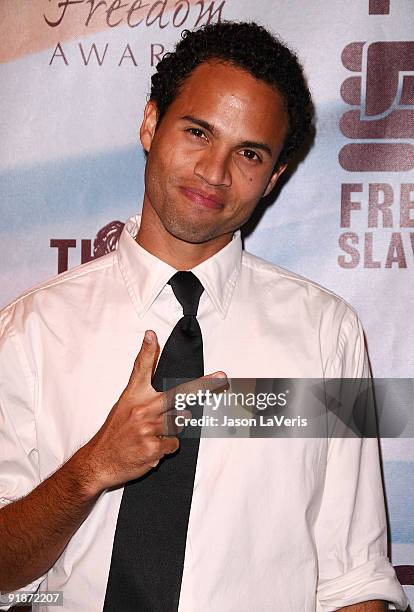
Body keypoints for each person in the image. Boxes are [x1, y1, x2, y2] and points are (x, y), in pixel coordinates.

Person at [0, 21, 408, 612]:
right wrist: (92, 467)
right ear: (150, 124)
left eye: (248, 153)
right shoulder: (30, 331)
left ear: (274, 178)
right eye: (197, 131)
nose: (214, 173)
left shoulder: (327, 334)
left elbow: (354, 581)